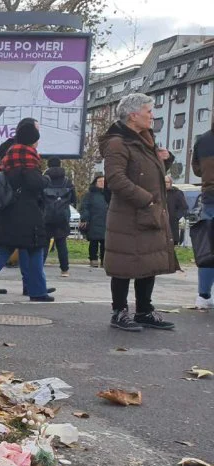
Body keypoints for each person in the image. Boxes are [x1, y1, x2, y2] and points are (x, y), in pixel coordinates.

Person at [100, 92, 178, 331]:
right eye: (148, 112)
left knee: (148, 261)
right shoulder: (117, 143)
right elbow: (115, 179)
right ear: (134, 116)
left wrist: (167, 160)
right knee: (124, 264)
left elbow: (144, 171)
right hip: (128, 215)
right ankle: (119, 312)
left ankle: (144, 310)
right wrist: (147, 199)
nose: (151, 116)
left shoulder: (145, 140)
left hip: (148, 213)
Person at [0, 120, 52, 302]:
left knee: (3, 248)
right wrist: (45, 180)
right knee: (33, 249)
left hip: (9, 212)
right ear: (32, 140)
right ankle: (37, 291)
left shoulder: (10, 156)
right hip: (26, 213)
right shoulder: (26, 159)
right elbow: (34, 183)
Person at [190, 116, 214, 309]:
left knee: (208, 247)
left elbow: (197, 170)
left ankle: (203, 295)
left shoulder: (203, 139)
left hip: (209, 196)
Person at [42, 157, 75, 277]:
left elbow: (39, 198)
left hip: (46, 216)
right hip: (62, 216)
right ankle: (64, 270)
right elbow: (73, 199)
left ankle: (39, 268)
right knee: (61, 243)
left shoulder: (44, 179)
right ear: (60, 165)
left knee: (44, 244)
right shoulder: (67, 181)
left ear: (48, 165)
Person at [79, 173, 108, 268]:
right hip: (93, 221)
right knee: (94, 242)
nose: (102, 183)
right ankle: (93, 259)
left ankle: (104, 260)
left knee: (105, 243)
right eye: (100, 181)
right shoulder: (90, 195)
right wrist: (84, 218)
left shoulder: (109, 195)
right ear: (95, 183)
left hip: (106, 221)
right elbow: (84, 207)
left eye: (104, 181)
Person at [164, 174, 189, 246]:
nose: (165, 184)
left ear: (171, 183)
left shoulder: (177, 193)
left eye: (167, 182)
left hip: (172, 224)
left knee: (172, 245)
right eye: (164, 182)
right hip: (161, 223)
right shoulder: (160, 193)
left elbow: (184, 207)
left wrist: (176, 217)